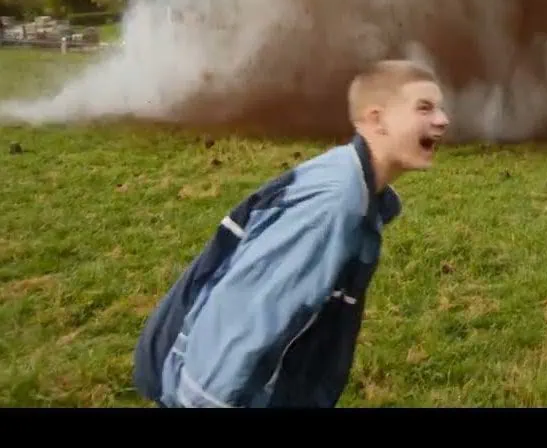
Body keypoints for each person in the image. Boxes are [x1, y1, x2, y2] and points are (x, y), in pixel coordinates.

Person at [132, 59, 450, 408]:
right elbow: (244, 322)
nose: (442, 120)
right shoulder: (332, 205)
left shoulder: (355, 188)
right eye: (424, 108)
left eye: (439, 108)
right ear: (376, 119)